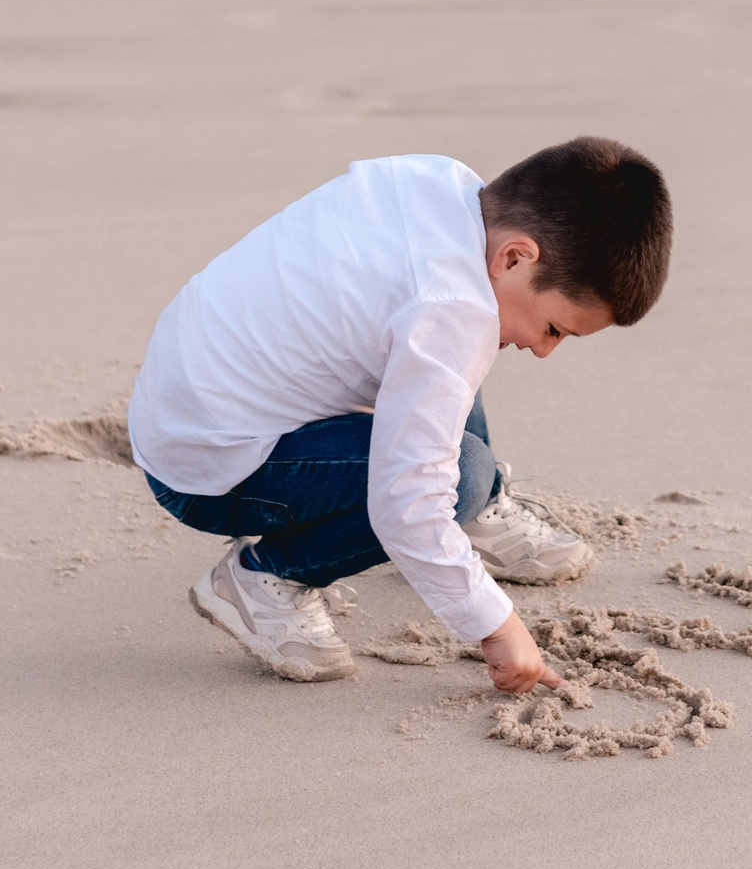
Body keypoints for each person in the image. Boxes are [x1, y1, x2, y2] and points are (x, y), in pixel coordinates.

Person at [127, 137, 672, 694]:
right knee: (453, 470)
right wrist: (495, 625)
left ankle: (477, 512)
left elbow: (438, 338)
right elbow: (407, 502)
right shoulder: (449, 307)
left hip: (182, 405)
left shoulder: (442, 186)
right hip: (209, 469)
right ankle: (263, 578)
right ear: (515, 255)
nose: (545, 349)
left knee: (455, 349)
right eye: (555, 328)